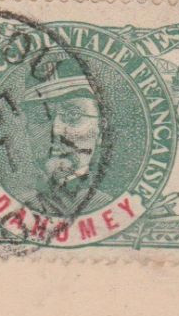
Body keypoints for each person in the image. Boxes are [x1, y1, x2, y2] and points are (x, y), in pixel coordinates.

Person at [14, 56, 116, 218]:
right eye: (41, 117)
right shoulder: (15, 207)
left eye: (73, 114)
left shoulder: (114, 209)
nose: (56, 131)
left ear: (101, 129)